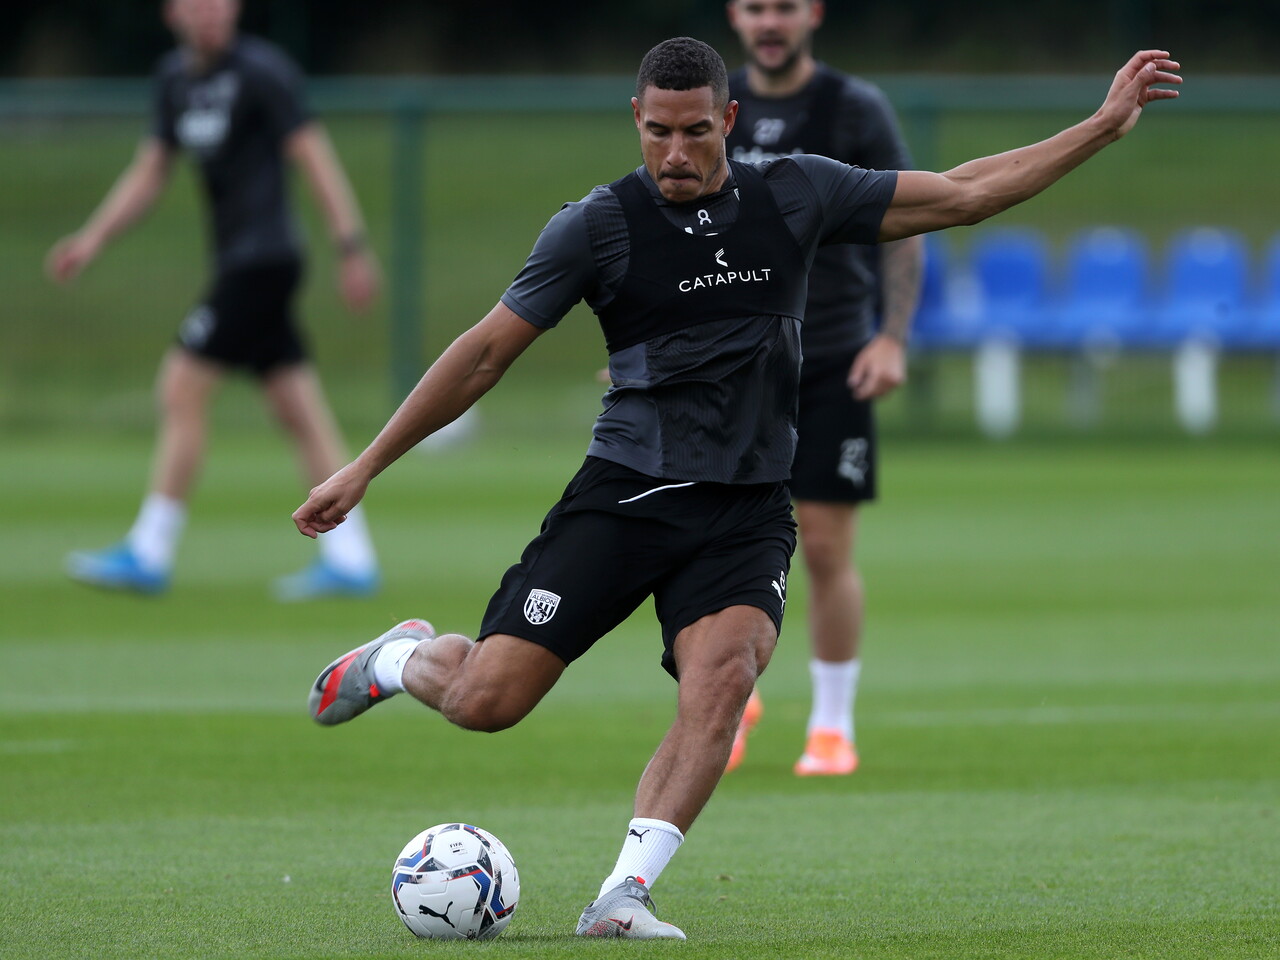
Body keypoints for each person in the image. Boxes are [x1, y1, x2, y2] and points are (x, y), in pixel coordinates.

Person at [297, 38, 1179, 939]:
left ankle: (624, 895)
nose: (675, 152)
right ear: (635, 121)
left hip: (747, 509)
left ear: (728, 119)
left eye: (694, 132)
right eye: (657, 132)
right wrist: (364, 466)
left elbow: (963, 192)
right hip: (628, 495)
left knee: (724, 678)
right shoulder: (596, 227)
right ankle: (399, 659)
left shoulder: (795, 194)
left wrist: (1101, 127)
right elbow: (485, 353)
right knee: (488, 703)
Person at [46, 0, 382, 601]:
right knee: (298, 408)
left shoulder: (262, 71)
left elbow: (314, 156)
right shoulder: (173, 80)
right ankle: (352, 558)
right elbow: (150, 170)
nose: (212, 12)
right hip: (238, 264)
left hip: (264, 263)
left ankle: (149, 550)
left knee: (180, 387)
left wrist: (350, 246)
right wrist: (92, 239)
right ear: (172, 12)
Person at [724, 0, 924, 776]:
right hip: (735, 360)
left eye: (784, 6)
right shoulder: (712, 106)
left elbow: (906, 220)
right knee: (717, 540)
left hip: (835, 353)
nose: (769, 22)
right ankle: (731, 699)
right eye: (755, 7)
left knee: (826, 544)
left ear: (812, 13)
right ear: (736, 16)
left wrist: (892, 335)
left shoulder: (853, 108)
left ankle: (832, 725)